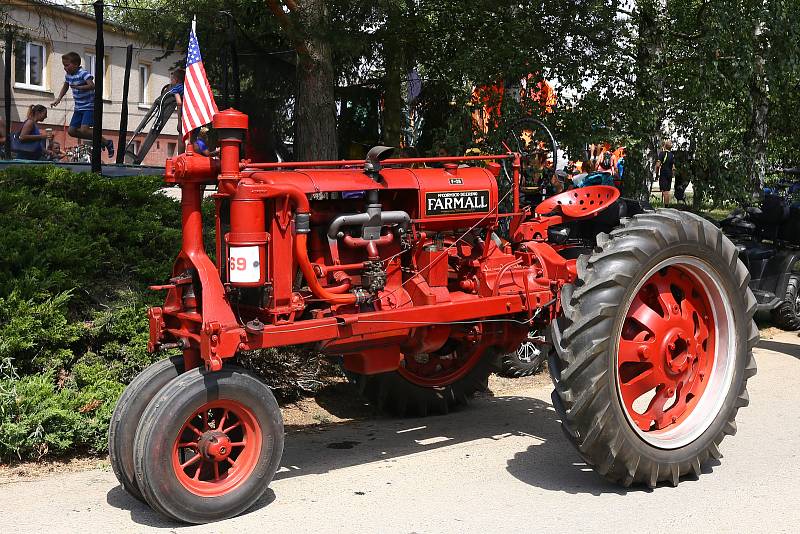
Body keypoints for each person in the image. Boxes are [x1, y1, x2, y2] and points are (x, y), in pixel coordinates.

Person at [51, 51, 114, 157]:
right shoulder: (68, 75)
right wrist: (58, 99)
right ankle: (100, 141)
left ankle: (106, 142)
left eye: (67, 65)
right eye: (64, 66)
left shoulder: (83, 73)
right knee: (71, 131)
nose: (65, 68)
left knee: (84, 130)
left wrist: (80, 87)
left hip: (89, 106)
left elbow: (92, 85)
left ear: (75, 64)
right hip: (78, 107)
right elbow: (66, 86)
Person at [168, 68, 185, 152]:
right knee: (192, 139)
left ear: (176, 79)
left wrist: (179, 121)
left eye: (172, 79)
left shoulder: (176, 89)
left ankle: (181, 155)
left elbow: (178, 102)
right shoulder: (186, 87)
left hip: (185, 115)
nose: (171, 81)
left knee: (181, 134)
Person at [655, 140, 676, 205]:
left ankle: (666, 207)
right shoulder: (672, 155)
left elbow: (658, 165)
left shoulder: (662, 153)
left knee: (665, 191)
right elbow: (673, 168)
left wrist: (656, 174)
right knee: (667, 191)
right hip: (669, 174)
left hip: (663, 173)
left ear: (664, 146)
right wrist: (672, 175)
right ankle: (666, 206)